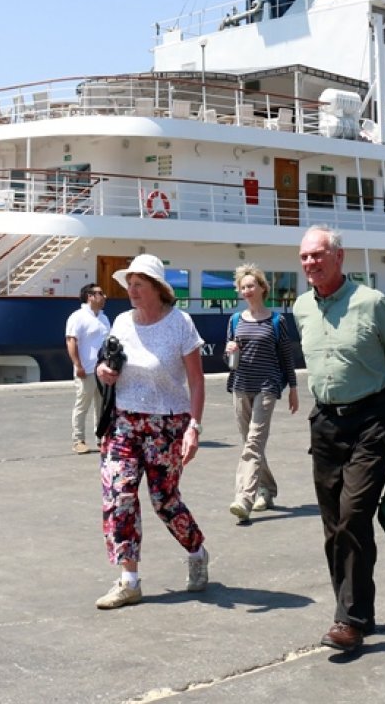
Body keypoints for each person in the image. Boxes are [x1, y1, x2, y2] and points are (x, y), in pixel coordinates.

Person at [294, 226, 385, 654]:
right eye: (304, 257)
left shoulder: (370, 303)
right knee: (336, 526)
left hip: (372, 419)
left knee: (354, 516)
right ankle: (359, 610)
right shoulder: (300, 308)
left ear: (339, 256)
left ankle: (348, 620)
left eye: (318, 255)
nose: (310, 264)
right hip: (325, 424)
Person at [93, 254, 208, 609]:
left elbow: (196, 380)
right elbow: (107, 362)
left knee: (165, 500)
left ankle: (197, 550)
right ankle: (129, 580)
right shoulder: (122, 323)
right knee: (119, 494)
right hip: (124, 422)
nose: (131, 290)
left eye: (139, 284)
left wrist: (194, 426)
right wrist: (103, 372)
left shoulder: (180, 323)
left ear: (158, 288)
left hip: (167, 424)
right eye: (129, 284)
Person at [224, 263, 299, 522]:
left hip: (267, 386)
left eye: (250, 285)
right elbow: (228, 358)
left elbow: (286, 357)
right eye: (242, 287)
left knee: (254, 443)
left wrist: (293, 389)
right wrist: (230, 351)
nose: (246, 290)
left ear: (262, 288)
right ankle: (267, 489)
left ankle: (245, 497)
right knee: (250, 444)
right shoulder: (234, 320)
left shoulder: (277, 320)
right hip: (240, 386)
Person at [65, 283, 110, 454]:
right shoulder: (77, 317)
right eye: (100, 293)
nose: (104, 296)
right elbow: (71, 341)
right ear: (90, 296)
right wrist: (78, 365)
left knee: (102, 407)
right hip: (86, 370)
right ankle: (78, 440)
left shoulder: (104, 318)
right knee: (82, 405)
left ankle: (101, 438)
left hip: (102, 370)